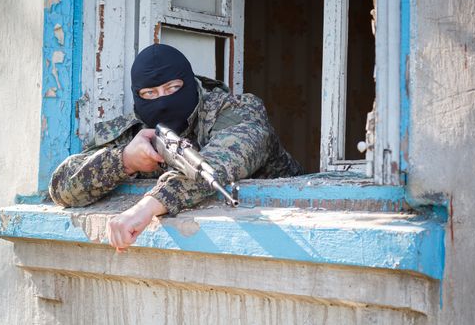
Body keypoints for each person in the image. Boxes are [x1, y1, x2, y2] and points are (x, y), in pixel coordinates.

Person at [49, 43, 304, 251]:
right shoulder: (134, 129)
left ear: (189, 82)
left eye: (172, 88)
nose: (163, 100)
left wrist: (147, 207)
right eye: (150, 94)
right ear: (138, 96)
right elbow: (61, 187)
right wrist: (124, 160)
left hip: (283, 232)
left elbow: (221, 161)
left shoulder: (237, 110)